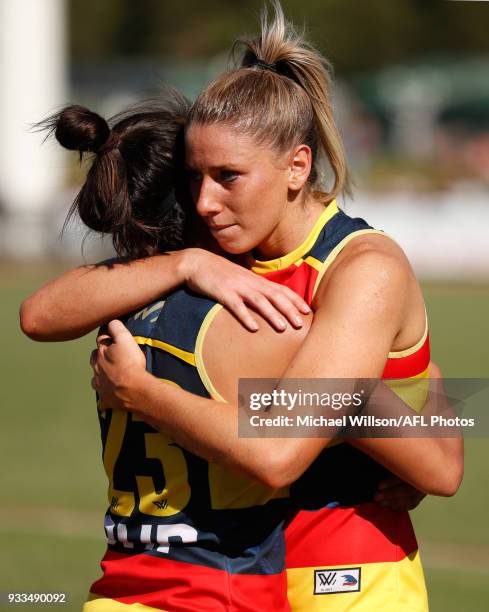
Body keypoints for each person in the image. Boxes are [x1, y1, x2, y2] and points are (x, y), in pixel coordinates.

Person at [21, 2, 463, 610]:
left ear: (296, 167)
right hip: (248, 572)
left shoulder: (363, 269)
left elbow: (439, 459)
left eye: (228, 176)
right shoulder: (224, 252)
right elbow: (40, 314)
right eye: (196, 176)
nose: (204, 201)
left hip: (347, 568)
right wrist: (185, 263)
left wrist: (148, 393)